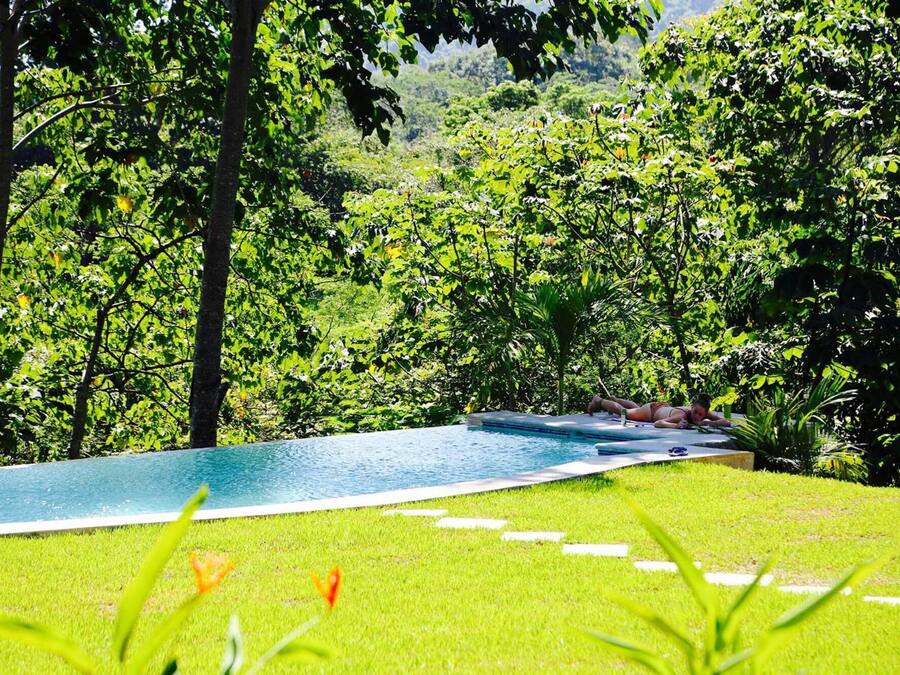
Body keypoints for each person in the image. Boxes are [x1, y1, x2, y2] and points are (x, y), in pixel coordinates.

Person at [586, 393, 732, 428]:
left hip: (662, 406)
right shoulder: (681, 415)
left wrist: (709, 422)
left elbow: (727, 422)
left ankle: (615, 399)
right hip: (651, 412)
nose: (697, 416)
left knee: (635, 407)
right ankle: (599, 400)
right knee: (626, 413)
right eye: (695, 412)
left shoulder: (703, 414)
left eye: (700, 415)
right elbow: (659, 423)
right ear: (692, 407)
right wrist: (676, 426)